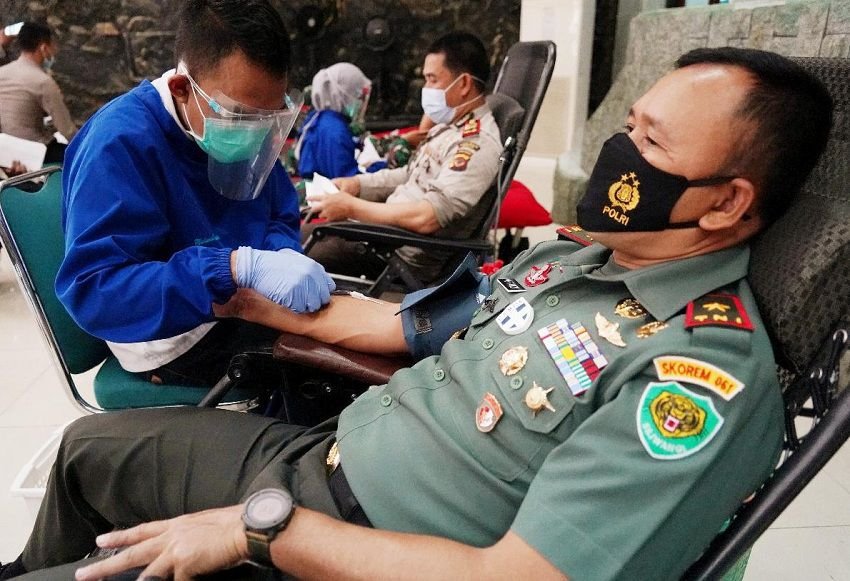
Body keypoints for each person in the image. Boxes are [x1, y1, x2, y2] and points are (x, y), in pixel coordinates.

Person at [1, 47, 833, 581]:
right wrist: (237, 282)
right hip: (321, 457)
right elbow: (388, 328)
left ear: (726, 202)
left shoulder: (697, 374)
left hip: (351, 546)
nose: (619, 151)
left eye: (650, 144)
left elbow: (517, 576)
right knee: (85, 450)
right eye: (629, 125)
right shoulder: (567, 262)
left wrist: (261, 533)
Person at [53, 0, 335, 389]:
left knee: (354, 338)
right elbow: (96, 291)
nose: (255, 133)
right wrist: (233, 268)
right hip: (171, 333)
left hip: (241, 299)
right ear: (182, 89)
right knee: (326, 376)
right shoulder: (118, 143)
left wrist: (280, 253)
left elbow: (276, 211)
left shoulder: (241, 121)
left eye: (269, 117)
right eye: (241, 117)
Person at [304, 31, 502, 284]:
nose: (425, 89)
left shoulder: (477, 144)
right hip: (382, 236)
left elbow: (428, 217)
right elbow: (409, 174)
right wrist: (357, 185)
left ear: (463, 84)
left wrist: (353, 208)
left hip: (400, 254)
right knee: (291, 236)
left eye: (432, 80)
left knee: (294, 255)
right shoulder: (450, 127)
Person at [0, 22, 77, 164]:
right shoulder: (43, 82)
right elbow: (67, 130)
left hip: (5, 150)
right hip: (34, 152)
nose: (54, 52)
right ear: (43, 48)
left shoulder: (2, 72)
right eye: (52, 47)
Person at [294, 62, 374, 179]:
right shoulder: (335, 130)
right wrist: (381, 167)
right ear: (345, 95)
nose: (361, 103)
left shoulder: (321, 119)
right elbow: (348, 179)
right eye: (359, 97)